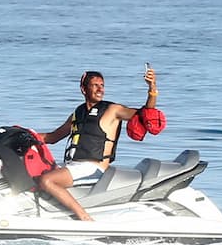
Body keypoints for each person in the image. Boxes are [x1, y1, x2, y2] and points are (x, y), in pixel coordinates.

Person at [35, 66, 160, 221]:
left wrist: (152, 88)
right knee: (35, 174)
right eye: (95, 85)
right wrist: (26, 135)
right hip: (73, 166)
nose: (100, 89)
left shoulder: (112, 110)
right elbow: (52, 137)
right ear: (83, 89)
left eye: (102, 85)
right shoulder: (78, 112)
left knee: (47, 180)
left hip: (93, 168)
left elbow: (146, 114)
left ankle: (84, 218)